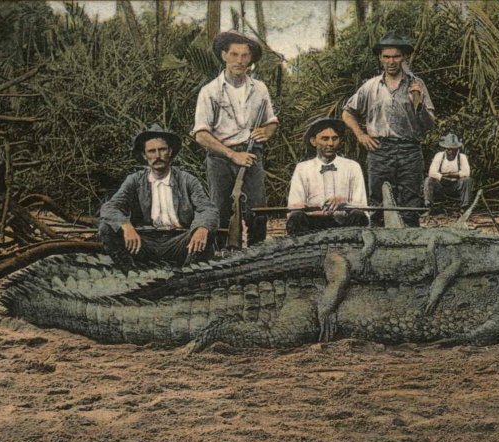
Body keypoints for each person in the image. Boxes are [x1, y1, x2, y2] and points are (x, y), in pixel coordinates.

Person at [191, 30, 278, 247]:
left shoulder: (259, 88)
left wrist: (266, 132)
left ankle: (258, 253)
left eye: (245, 55)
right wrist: (232, 154)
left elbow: (272, 121)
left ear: (251, 58)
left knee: (258, 207)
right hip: (220, 156)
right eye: (234, 54)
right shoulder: (209, 91)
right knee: (219, 207)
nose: (240, 61)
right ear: (224, 55)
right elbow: (201, 134)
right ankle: (219, 256)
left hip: (251, 153)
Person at [342, 31, 435, 228]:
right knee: (378, 203)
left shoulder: (416, 84)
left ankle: (411, 249)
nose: (391, 61)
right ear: (380, 58)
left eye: (396, 56)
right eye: (386, 56)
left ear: (403, 57)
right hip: (379, 150)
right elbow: (347, 112)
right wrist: (361, 135)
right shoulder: (371, 86)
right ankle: (379, 249)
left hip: (409, 149)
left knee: (411, 204)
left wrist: (418, 103)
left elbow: (429, 125)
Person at [99, 124, 219, 271]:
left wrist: (202, 227)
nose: (157, 156)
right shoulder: (135, 181)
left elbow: (208, 209)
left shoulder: (187, 180)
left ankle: (188, 273)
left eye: (162, 150)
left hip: (178, 241)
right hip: (145, 242)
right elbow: (110, 207)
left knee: (206, 232)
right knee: (107, 228)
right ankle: (131, 272)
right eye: (151, 151)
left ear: (170, 152)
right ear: (144, 155)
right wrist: (126, 226)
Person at [286, 117, 369, 236]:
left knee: (359, 216)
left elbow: (361, 205)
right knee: (296, 218)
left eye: (334, 139)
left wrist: (343, 202)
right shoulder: (302, 168)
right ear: (313, 141)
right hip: (313, 225)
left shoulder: (352, 166)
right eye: (325, 139)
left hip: (344, 224)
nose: (330, 143)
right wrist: (312, 208)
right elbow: (294, 206)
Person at [423, 132, 474, 211]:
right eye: (448, 149)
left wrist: (450, 175)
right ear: (445, 148)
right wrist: (444, 176)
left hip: (456, 185)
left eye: (453, 149)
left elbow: (466, 173)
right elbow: (432, 172)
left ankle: (464, 206)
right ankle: (428, 206)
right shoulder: (439, 156)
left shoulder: (462, 157)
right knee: (428, 180)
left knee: (468, 180)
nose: (451, 151)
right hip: (442, 185)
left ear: (457, 148)